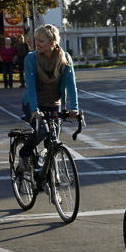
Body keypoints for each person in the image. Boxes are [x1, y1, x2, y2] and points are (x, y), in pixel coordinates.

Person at [17, 24, 79, 168]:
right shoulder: (31, 59)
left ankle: (48, 175)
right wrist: (34, 110)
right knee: (42, 131)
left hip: (53, 103)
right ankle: (24, 154)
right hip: (33, 103)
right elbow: (30, 87)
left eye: (41, 41)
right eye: (36, 40)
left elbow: (71, 84)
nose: (37, 43)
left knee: (53, 139)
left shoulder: (65, 58)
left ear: (52, 43)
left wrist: (74, 108)